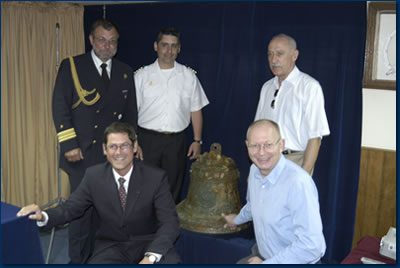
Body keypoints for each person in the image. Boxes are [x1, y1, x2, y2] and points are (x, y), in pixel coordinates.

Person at [17, 122, 180, 264]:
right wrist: (43, 215)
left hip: (148, 243)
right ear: (104, 149)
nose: (118, 152)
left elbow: (170, 222)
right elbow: (70, 208)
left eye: (124, 145)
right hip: (112, 246)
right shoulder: (93, 176)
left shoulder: (156, 177)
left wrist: (150, 258)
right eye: (113, 146)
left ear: (134, 147)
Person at [51, 19, 139, 263]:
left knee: (108, 211)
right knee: (81, 212)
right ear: (91, 40)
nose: (106, 45)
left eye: (112, 41)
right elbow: (60, 106)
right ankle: (77, 260)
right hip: (81, 152)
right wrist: (69, 144)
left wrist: (131, 144)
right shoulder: (72, 66)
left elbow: (130, 113)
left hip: (113, 155)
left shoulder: (124, 71)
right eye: (101, 39)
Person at [222, 119, 326, 264]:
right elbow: (254, 205)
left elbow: (311, 246)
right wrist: (236, 219)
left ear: (281, 145)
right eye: (254, 146)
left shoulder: (298, 183)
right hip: (264, 254)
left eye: (268, 145)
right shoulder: (254, 171)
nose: (261, 152)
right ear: (247, 146)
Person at [134, 27, 209, 203]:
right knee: (144, 187)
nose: (169, 51)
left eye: (173, 46)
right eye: (164, 45)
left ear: (179, 49)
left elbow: (196, 110)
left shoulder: (188, 76)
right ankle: (145, 227)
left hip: (176, 142)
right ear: (156, 46)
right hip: (147, 141)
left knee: (173, 188)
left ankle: (167, 227)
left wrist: (197, 140)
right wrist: (134, 141)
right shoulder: (141, 76)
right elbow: (131, 111)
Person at [254, 33, 330, 174]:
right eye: (270, 54)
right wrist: (255, 170)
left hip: (295, 161)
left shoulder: (309, 87)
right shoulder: (267, 87)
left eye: (279, 54)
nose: (273, 59)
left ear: (294, 55)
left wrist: (304, 176)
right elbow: (257, 130)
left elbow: (315, 137)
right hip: (265, 160)